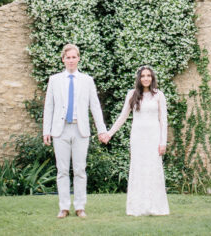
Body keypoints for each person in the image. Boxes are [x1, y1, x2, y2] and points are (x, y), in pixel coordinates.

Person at [43, 43, 109, 218]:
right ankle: (64, 207)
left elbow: (95, 106)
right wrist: (46, 131)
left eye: (74, 57)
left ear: (78, 58)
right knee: (62, 170)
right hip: (60, 130)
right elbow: (49, 107)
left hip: (81, 130)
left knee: (80, 170)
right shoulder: (54, 80)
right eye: (68, 57)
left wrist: (102, 130)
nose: (71, 60)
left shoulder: (87, 80)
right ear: (63, 59)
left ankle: (80, 207)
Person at [105, 65, 170, 216]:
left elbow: (163, 120)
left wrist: (163, 142)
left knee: (153, 169)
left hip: (154, 137)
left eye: (148, 76)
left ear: (152, 78)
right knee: (139, 169)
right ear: (139, 79)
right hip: (138, 137)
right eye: (143, 76)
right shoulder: (132, 94)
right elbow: (123, 117)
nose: (146, 78)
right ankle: (138, 207)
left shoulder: (159, 95)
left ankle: (155, 207)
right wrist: (109, 133)